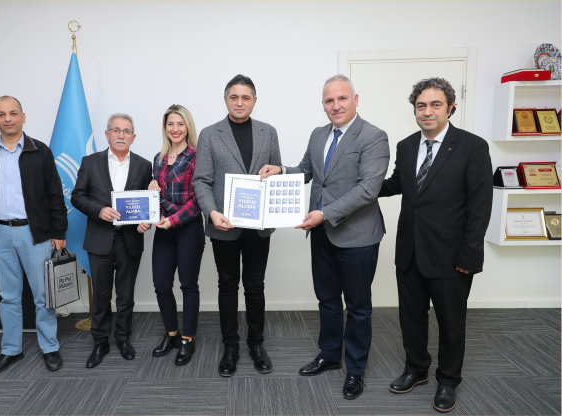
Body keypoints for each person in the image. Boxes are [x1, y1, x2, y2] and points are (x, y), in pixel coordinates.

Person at [259, 74, 389, 400]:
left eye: (342, 98)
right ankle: (330, 355)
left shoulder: (373, 137)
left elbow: (368, 189)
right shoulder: (319, 135)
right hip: (321, 234)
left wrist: (325, 213)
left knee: (357, 307)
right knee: (328, 300)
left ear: (355, 100)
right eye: (329, 100)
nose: (336, 105)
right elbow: (307, 171)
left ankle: (355, 370)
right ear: (323, 105)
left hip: (358, 237)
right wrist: (280, 170)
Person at [379, 78, 492, 413]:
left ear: (450, 108)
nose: (427, 111)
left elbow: (480, 206)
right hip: (410, 251)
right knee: (411, 317)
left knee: (451, 323)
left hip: (451, 256)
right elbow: (397, 184)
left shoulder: (472, 146)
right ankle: (416, 369)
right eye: (421, 106)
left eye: (435, 105)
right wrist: (358, 186)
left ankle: (448, 380)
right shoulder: (406, 146)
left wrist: (469, 255)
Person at [193, 74, 282, 377]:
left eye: (246, 97)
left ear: (254, 101)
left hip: (259, 226)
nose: (240, 102)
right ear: (225, 100)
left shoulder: (268, 132)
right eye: (234, 97)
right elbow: (202, 181)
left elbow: (276, 173)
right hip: (224, 226)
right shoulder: (209, 134)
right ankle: (230, 346)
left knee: (255, 285)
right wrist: (211, 212)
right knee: (228, 285)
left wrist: (279, 172)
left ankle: (256, 344)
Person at [0, 96, 67, 375]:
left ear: (23, 117)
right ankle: (11, 349)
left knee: (43, 296)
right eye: (1, 114)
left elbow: (55, 195)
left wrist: (58, 231)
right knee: (8, 296)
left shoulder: (41, 151)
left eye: (13, 113)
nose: (8, 119)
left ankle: (49, 347)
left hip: (35, 234)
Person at [71, 113, 153, 368]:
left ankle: (123, 338)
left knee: (126, 296)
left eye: (126, 131)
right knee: (101, 295)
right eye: (116, 130)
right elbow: (77, 196)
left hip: (130, 241)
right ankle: (100, 342)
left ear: (133, 137)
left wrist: (147, 221)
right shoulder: (90, 162)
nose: (121, 135)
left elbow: (148, 203)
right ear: (107, 134)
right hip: (99, 240)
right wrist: (99, 210)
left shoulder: (144, 165)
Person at [147, 104, 204, 366]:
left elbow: (197, 200)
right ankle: (172, 334)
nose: (175, 129)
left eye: (180, 123)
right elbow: (157, 200)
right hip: (164, 231)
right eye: (171, 123)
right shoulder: (158, 159)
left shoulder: (197, 157)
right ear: (165, 127)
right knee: (161, 285)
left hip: (188, 230)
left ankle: (187, 339)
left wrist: (172, 218)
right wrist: (153, 201)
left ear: (187, 127)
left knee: (188, 285)